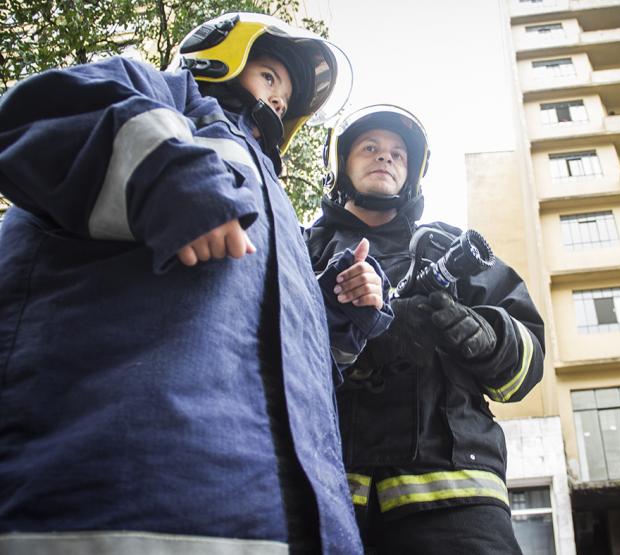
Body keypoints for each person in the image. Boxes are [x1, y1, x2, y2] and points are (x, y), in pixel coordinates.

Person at [0, 12, 387, 555]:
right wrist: (162, 170)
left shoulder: (276, 205)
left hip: (288, 524)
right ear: (220, 55)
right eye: (271, 77)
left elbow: (263, 345)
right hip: (124, 501)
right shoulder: (165, 94)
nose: (277, 102)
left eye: (285, 97)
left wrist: (335, 310)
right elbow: (32, 114)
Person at [307, 105, 546, 554]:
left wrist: (489, 339)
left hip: (458, 497)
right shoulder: (303, 249)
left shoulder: (450, 248)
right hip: (325, 490)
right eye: (370, 147)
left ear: (412, 173)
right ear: (340, 164)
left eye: (399, 153)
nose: (386, 158)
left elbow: (527, 366)